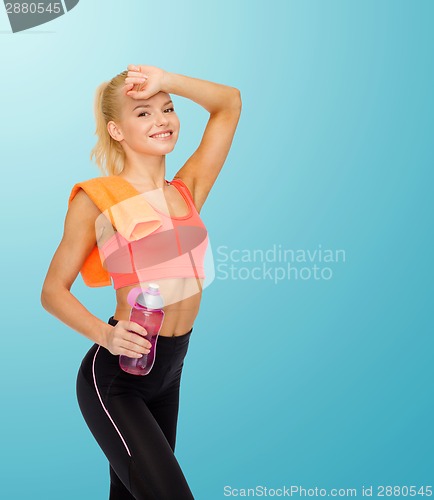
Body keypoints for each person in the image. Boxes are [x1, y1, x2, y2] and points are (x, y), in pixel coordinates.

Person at [40, 64, 241, 499]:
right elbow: (52, 291)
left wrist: (167, 80)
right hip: (118, 376)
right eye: (143, 113)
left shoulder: (186, 190)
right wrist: (106, 336)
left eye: (166, 109)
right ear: (116, 130)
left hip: (170, 370)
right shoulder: (98, 199)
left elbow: (229, 104)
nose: (161, 120)